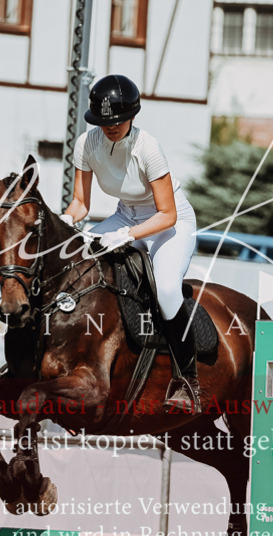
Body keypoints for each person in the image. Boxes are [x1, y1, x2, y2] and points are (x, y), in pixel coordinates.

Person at [61, 74, 201, 412]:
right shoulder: (86, 144)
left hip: (170, 222)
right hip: (125, 215)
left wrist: (127, 235)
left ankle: (187, 381)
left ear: (132, 117)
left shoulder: (147, 147)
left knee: (167, 290)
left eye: (117, 121)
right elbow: (81, 203)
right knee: (71, 259)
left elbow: (166, 214)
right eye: (103, 121)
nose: (110, 127)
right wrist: (64, 224)